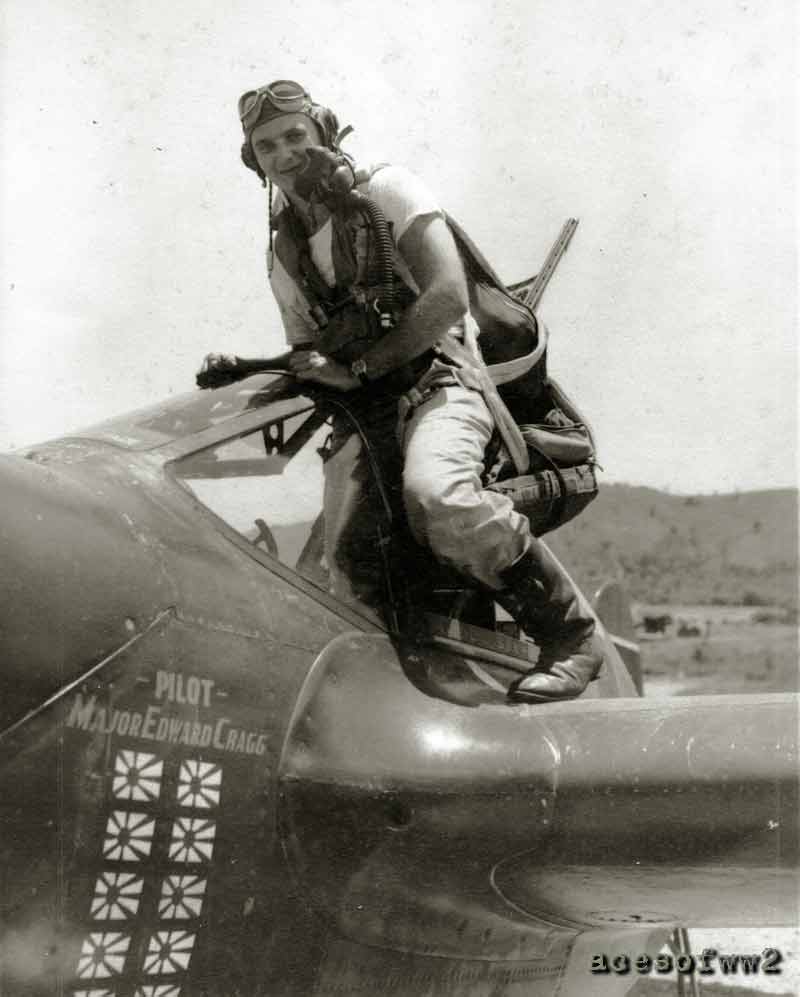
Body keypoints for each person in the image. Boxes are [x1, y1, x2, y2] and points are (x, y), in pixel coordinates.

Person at [201, 79, 603, 702]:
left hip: (442, 379)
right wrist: (257, 368)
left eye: (295, 136)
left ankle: (572, 635)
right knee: (330, 572)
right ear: (255, 162)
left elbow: (447, 297)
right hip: (367, 409)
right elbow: (311, 347)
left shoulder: (386, 188)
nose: (285, 153)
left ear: (324, 133)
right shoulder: (284, 250)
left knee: (437, 496)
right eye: (268, 145)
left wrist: (362, 370)